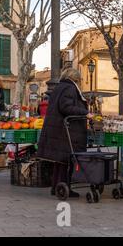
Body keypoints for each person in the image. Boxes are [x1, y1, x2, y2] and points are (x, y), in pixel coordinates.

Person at [37, 68, 91, 198]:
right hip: (65, 130)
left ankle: (56, 187)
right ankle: (63, 188)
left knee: (59, 161)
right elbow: (65, 107)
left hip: (58, 129)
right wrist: (85, 112)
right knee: (66, 161)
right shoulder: (70, 88)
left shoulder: (60, 87)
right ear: (75, 79)